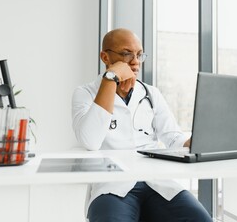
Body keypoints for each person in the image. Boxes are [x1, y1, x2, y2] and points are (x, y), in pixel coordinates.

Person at [72, 28, 212, 222]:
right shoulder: (85, 93)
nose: (136, 61)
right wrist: (110, 80)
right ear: (105, 57)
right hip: (112, 186)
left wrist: (197, 141)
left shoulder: (152, 94)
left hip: (156, 182)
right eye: (127, 54)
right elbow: (90, 141)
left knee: (200, 219)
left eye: (139, 55)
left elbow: (173, 138)